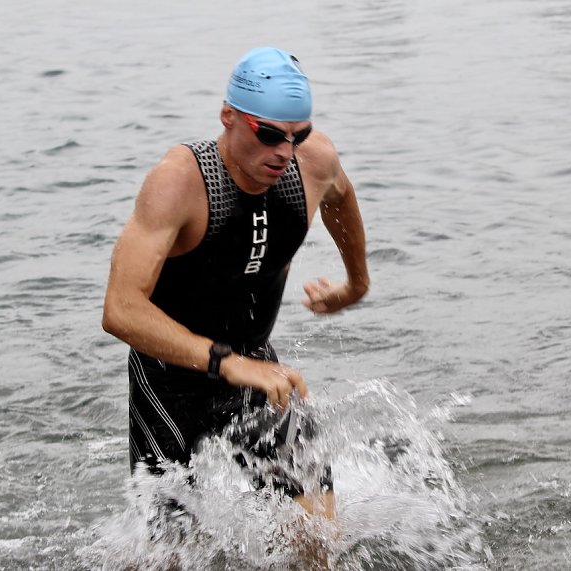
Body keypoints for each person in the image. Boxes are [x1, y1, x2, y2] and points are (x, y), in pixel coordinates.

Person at [101, 46, 370, 518]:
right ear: (228, 116)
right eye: (268, 135)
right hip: (167, 381)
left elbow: (340, 196)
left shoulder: (313, 162)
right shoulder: (180, 182)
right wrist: (226, 364)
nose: (284, 152)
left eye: (296, 135)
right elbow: (120, 308)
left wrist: (356, 283)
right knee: (169, 553)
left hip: (256, 367)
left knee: (316, 526)